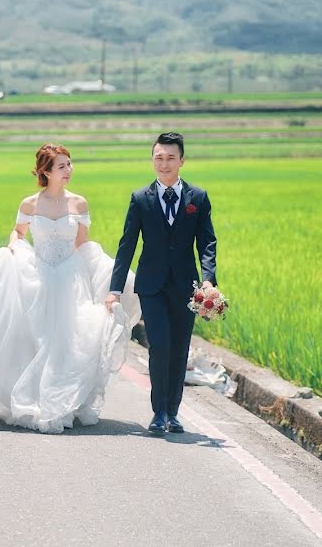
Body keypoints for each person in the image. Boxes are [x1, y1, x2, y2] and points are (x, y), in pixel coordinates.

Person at [0, 144, 141, 434]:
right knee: (37, 339)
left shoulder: (79, 204)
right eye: (62, 166)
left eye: (70, 164)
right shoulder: (29, 204)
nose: (69, 170)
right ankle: (33, 398)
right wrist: (14, 246)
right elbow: (18, 231)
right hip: (38, 274)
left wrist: (107, 272)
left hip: (69, 278)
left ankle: (64, 400)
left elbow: (82, 243)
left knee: (68, 339)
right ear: (46, 171)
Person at [106, 132, 218, 436]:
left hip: (186, 288)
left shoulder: (198, 198)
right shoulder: (140, 198)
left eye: (171, 158)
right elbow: (127, 245)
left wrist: (208, 281)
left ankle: (173, 413)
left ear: (182, 161)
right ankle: (158, 412)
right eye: (159, 157)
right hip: (151, 286)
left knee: (179, 349)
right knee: (160, 345)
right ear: (152, 160)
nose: (164, 163)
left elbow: (207, 243)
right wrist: (114, 289)